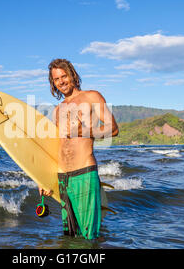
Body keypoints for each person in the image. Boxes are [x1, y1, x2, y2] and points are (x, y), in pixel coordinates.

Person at [38, 58, 119, 240]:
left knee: (89, 237)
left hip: (84, 173)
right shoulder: (57, 110)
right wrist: (44, 179)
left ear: (72, 75)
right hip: (63, 178)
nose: (61, 82)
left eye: (64, 76)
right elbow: (56, 148)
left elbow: (113, 128)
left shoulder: (91, 97)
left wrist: (84, 131)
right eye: (56, 79)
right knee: (71, 236)